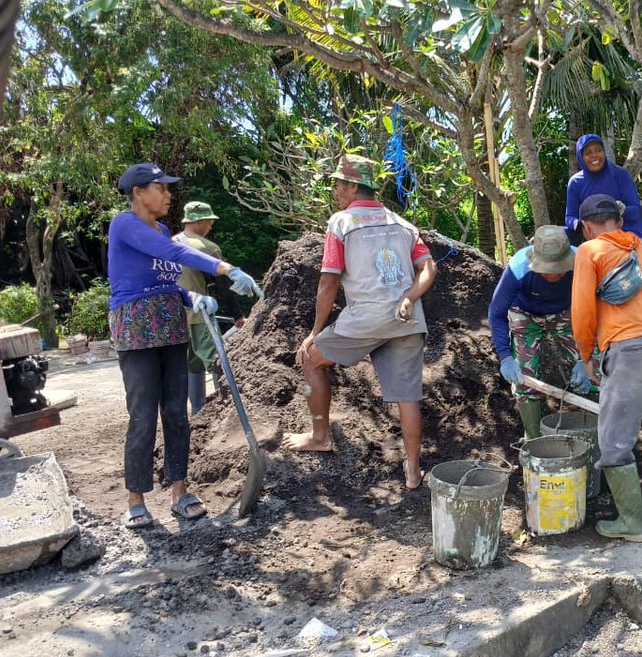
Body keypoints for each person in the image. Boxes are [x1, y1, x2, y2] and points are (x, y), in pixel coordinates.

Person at [108, 162, 263, 529]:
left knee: (177, 412)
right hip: (137, 328)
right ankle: (135, 499)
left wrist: (192, 298)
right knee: (143, 414)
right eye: (160, 188)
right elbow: (175, 255)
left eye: (167, 188)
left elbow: (168, 283)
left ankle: (180, 492)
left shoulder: (162, 229)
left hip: (171, 325)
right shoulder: (124, 224)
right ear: (138, 193)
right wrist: (225, 268)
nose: (167, 194)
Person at [287, 154, 437, 490]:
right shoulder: (403, 224)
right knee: (407, 397)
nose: (335, 191)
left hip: (366, 319)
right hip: (407, 320)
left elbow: (329, 281)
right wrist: (409, 297)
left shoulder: (342, 223)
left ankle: (320, 436)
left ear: (353, 186)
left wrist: (314, 332)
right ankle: (413, 472)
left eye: (338, 185)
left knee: (311, 359)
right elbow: (429, 267)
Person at [571, 194, 642, 543]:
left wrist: (585, 354)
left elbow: (583, 310)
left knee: (615, 438)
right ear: (619, 222)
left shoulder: (590, 251)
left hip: (630, 348)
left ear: (586, 227)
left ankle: (631, 523)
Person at [488, 226, 590, 440]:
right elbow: (496, 313)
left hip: (567, 311)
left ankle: (596, 436)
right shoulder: (519, 267)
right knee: (524, 375)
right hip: (526, 312)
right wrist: (505, 357)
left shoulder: (582, 263)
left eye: (558, 268)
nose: (552, 274)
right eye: (547, 269)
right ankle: (534, 440)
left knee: (593, 368)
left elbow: (594, 309)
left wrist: (585, 358)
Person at [174, 201, 246, 415]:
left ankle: (197, 412)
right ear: (200, 222)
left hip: (175, 317)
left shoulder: (169, 244)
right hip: (199, 316)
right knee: (216, 359)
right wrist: (238, 315)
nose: (211, 227)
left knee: (191, 364)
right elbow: (223, 285)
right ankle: (227, 409)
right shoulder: (207, 248)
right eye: (210, 223)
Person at [564, 134, 642, 244]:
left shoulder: (620, 175)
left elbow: (636, 210)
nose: (594, 155)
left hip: (624, 236)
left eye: (598, 150)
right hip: (592, 239)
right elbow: (570, 217)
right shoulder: (575, 182)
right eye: (588, 153)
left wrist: (619, 210)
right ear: (580, 157)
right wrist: (579, 225)